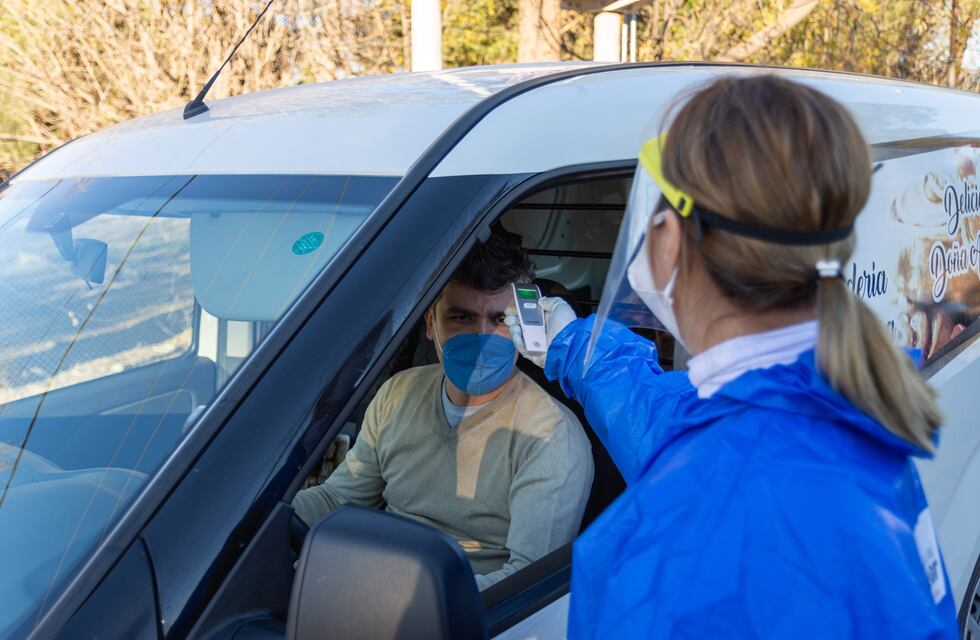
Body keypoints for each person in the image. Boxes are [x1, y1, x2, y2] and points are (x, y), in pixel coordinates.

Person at [507, 75, 959, 637]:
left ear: (672, 239)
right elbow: (692, 422)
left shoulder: (665, 546)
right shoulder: (847, 405)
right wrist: (572, 342)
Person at [294, 228, 594, 590]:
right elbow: (338, 499)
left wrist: (386, 590)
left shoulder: (550, 436)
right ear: (430, 324)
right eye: (462, 317)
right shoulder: (397, 394)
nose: (482, 339)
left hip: (460, 611)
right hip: (359, 585)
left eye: (500, 320)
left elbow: (525, 584)